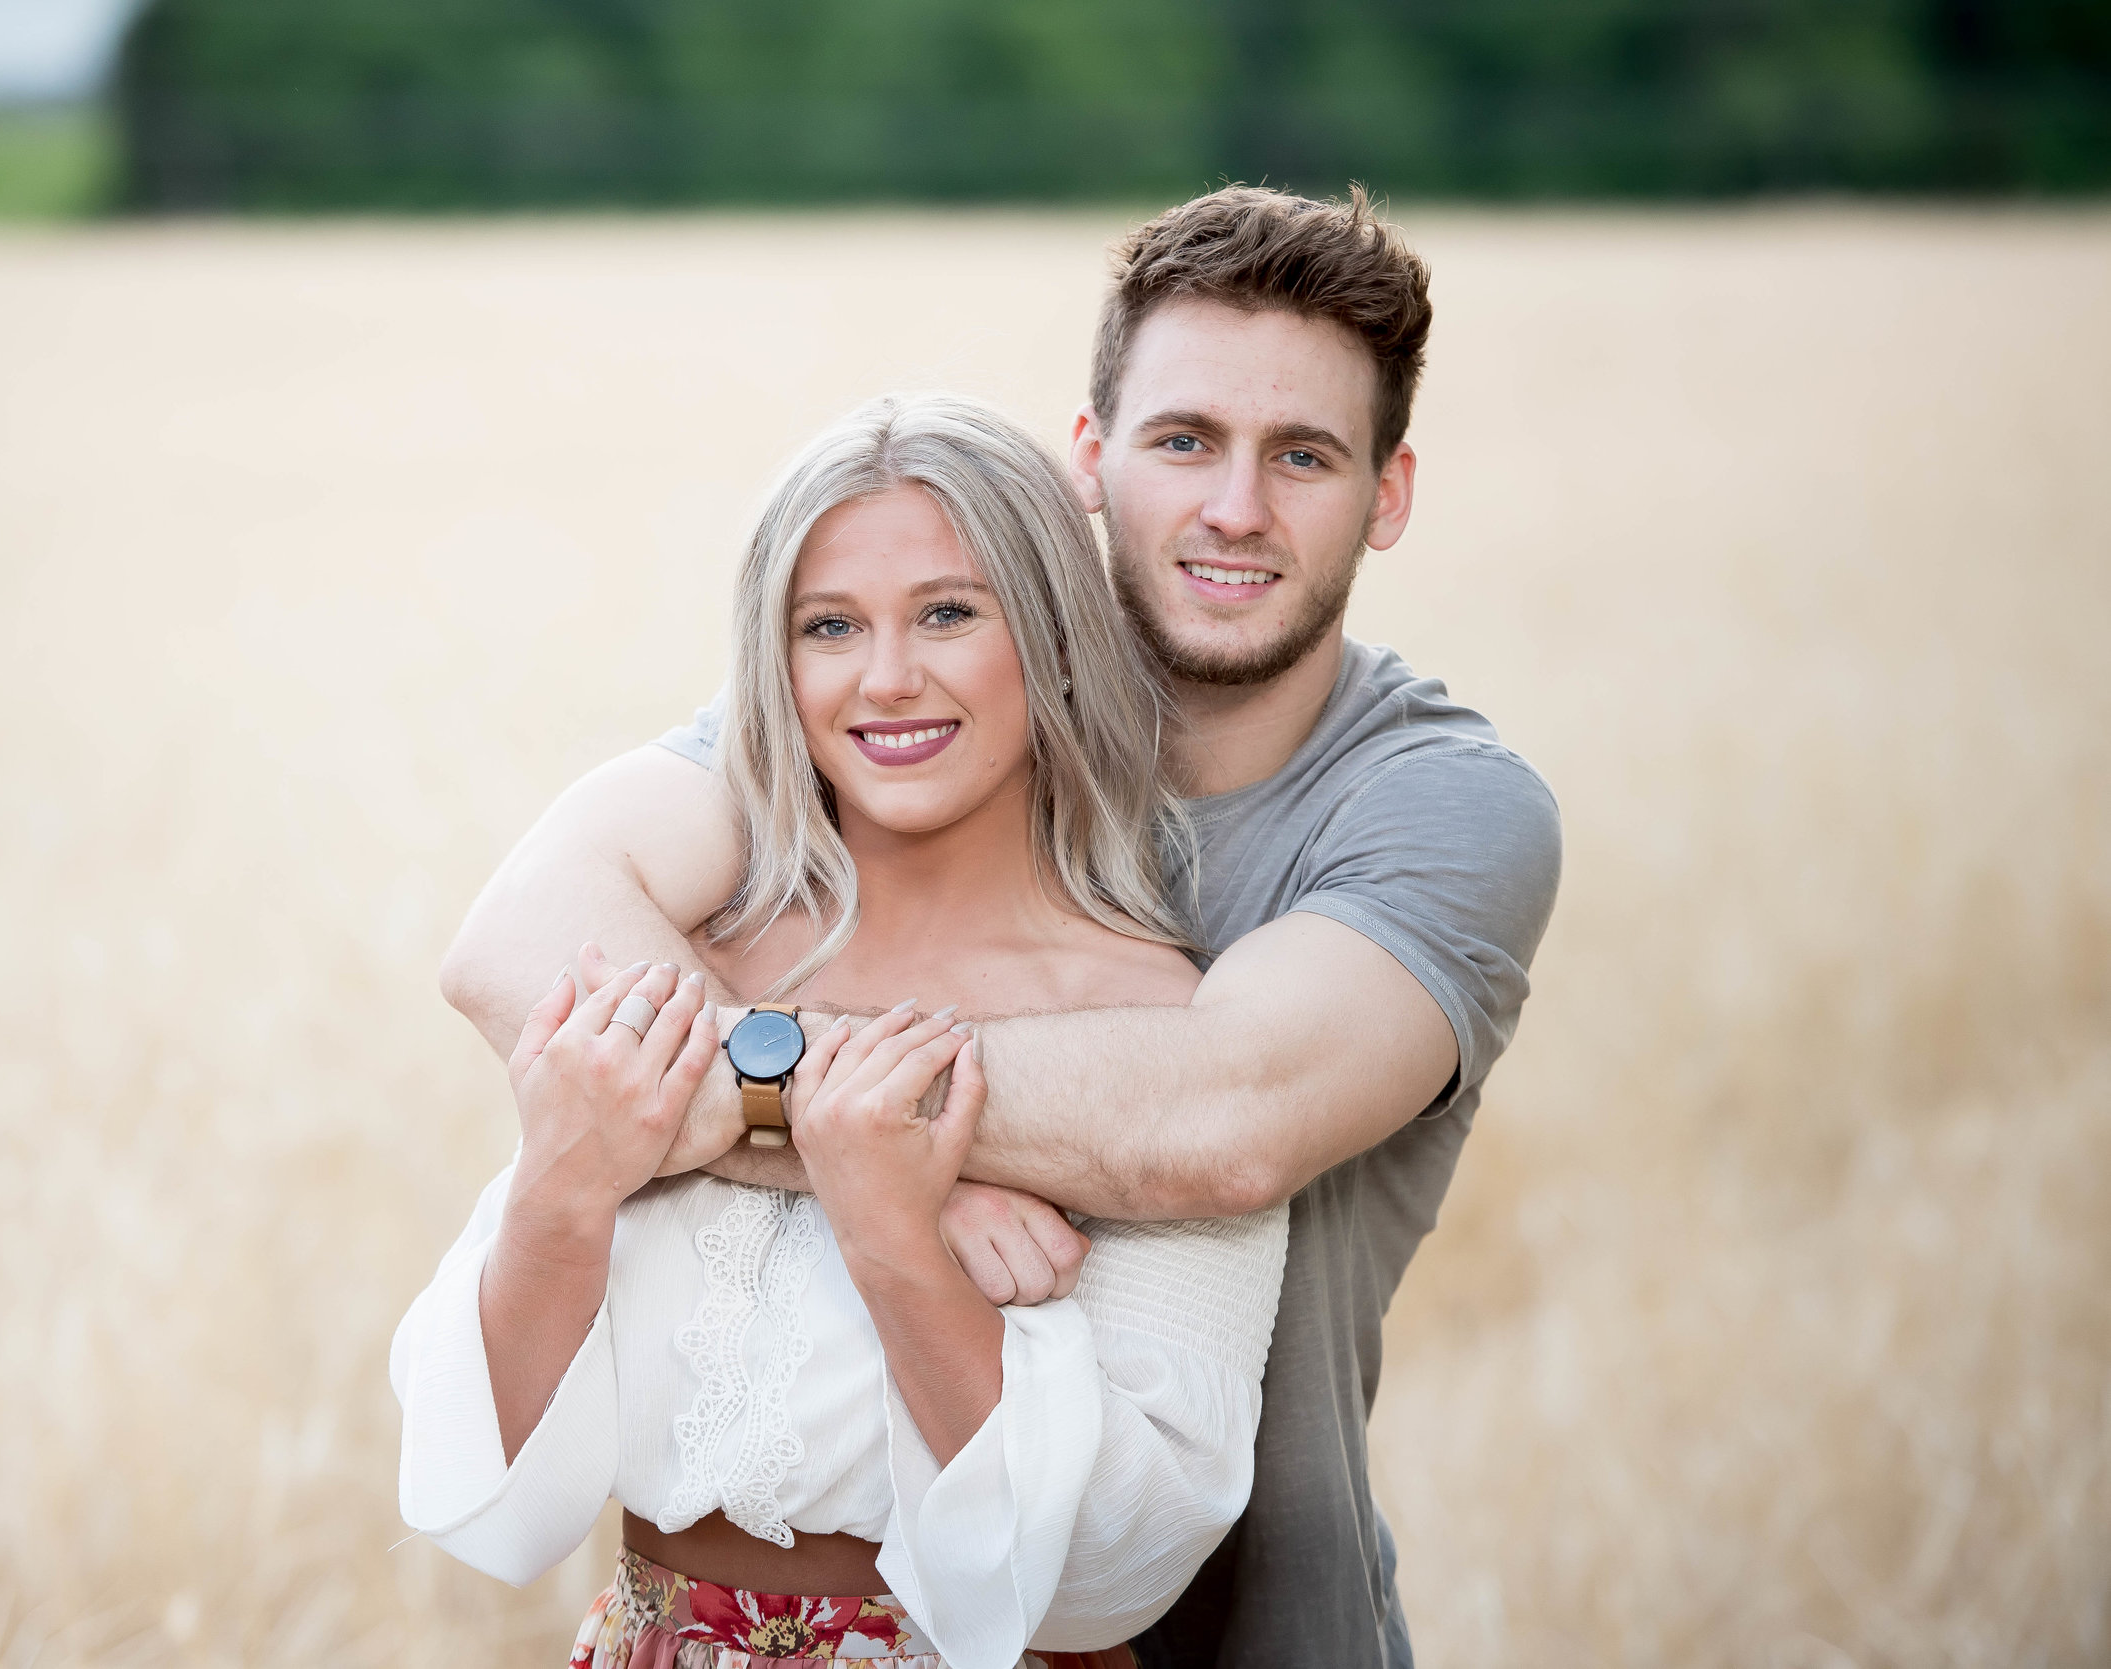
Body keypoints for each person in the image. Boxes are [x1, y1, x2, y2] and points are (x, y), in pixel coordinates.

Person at [438, 186, 1563, 1669]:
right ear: (1092, 462)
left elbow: (1215, 1123)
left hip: (1249, 1631)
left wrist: (778, 1107)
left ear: (1390, 493)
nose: (1235, 507)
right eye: (1183, 442)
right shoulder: (923, 691)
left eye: (1303, 455)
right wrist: (859, 1158)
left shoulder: (1438, 805)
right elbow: (514, 940)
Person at [396, 395, 1295, 1668]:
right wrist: (563, 1186)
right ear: (778, 665)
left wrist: (894, 1229)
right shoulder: (689, 967)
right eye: (829, 627)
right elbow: (486, 1501)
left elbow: (1111, 1571)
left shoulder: (1151, 1036)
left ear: (1051, 638)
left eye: (947, 612)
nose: (884, 678)